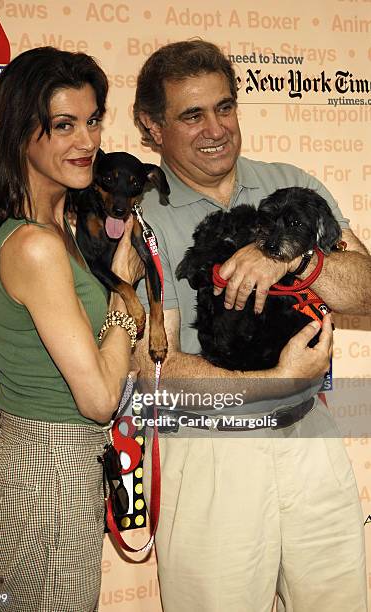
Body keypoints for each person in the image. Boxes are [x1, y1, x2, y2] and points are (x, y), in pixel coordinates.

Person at [132, 40, 370, 612]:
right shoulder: (137, 216)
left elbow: (368, 291)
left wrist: (294, 256)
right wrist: (271, 383)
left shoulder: (289, 182)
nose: (216, 128)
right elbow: (145, 366)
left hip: (310, 435)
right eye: (192, 114)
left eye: (225, 107)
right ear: (152, 126)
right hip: (210, 452)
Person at [0, 47, 142, 612]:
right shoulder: (36, 245)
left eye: (91, 121)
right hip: (48, 476)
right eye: (63, 125)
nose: (86, 141)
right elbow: (98, 397)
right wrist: (123, 301)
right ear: (20, 135)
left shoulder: (29, 233)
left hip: (37, 465)